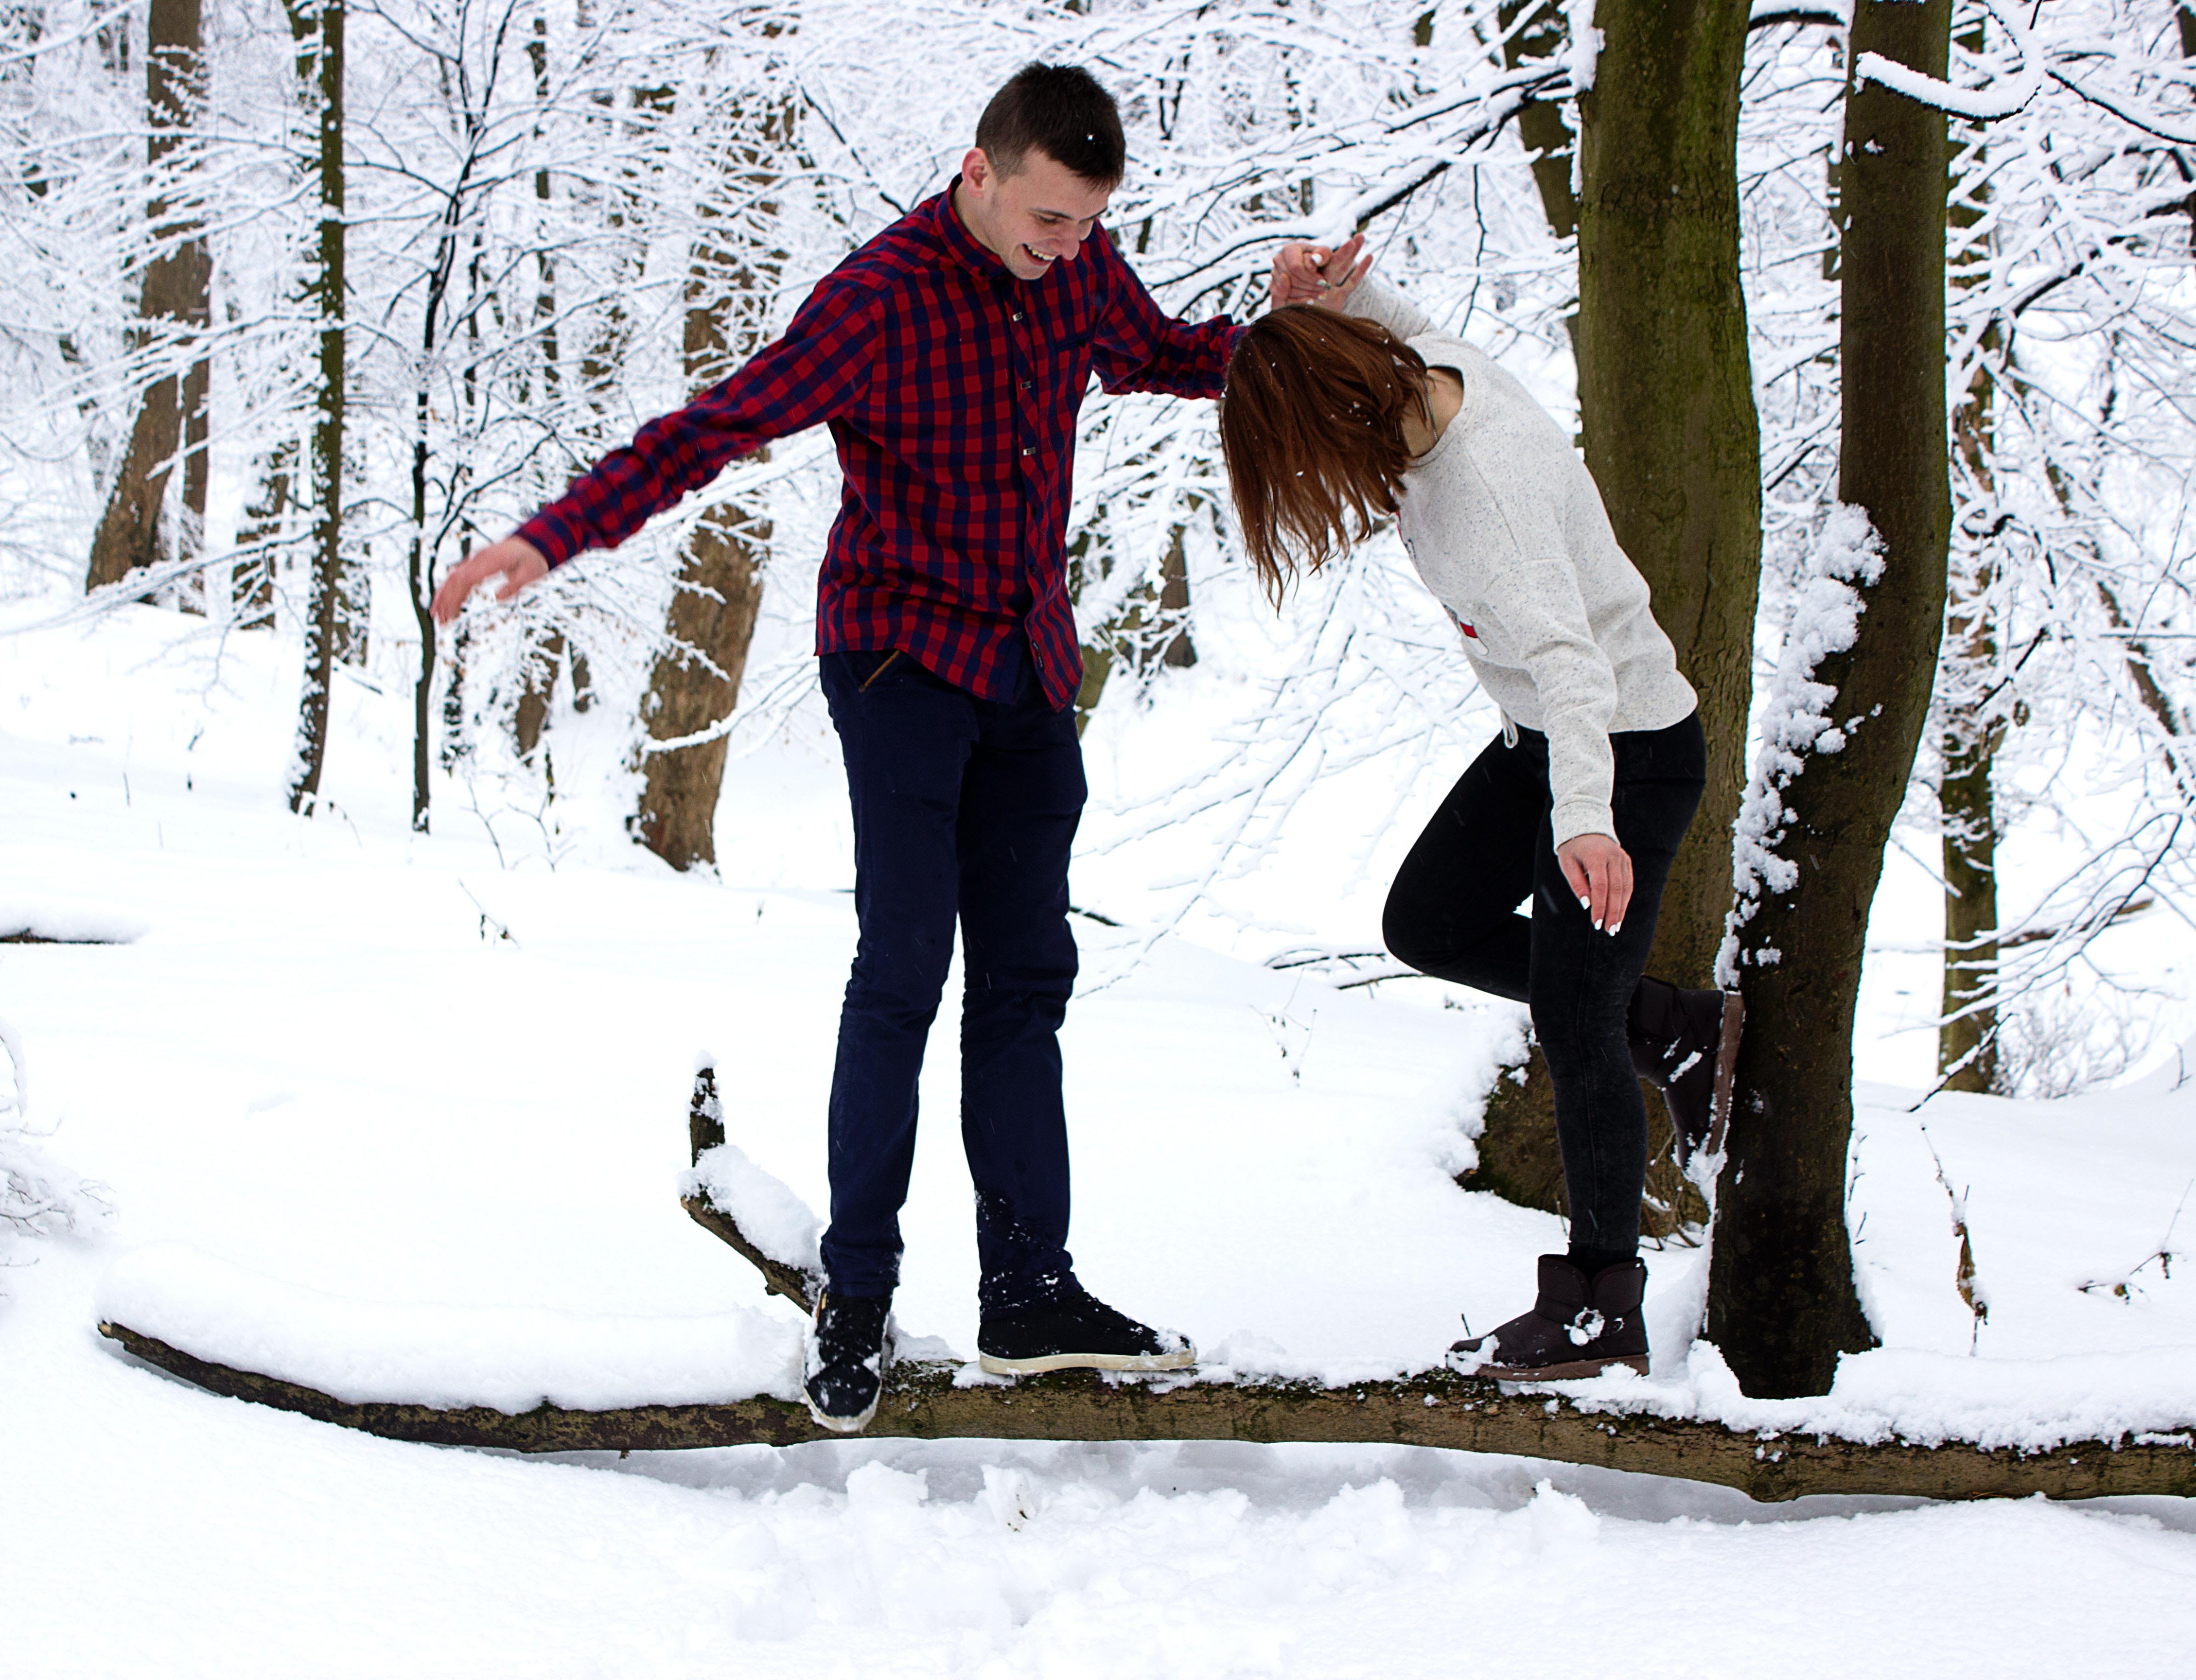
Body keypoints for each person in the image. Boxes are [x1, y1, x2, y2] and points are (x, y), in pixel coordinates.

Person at [434, 64, 1351, 1429]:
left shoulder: (1080, 271)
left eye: (1085, 226)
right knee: (907, 962)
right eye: (1045, 219)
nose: (1066, 250)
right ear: (979, 172)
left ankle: (1031, 1290)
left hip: (1031, 660)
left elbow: (1163, 354)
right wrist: (551, 536)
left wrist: (1277, 330)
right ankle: (856, 1291)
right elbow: (712, 431)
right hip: (900, 657)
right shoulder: (876, 303)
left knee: (1029, 975)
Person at [1228, 247, 1745, 1382]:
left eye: (1314, 457)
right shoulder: (1431, 371)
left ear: (1349, 412)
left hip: (1622, 752)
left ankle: (1602, 1308)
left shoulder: (1487, 504)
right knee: (1427, 920)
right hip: (1537, 741)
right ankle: (1675, 1027)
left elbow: (1574, 669)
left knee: (1574, 1023)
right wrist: (1338, 301)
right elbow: (1400, 328)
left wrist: (1585, 823)